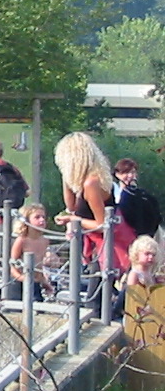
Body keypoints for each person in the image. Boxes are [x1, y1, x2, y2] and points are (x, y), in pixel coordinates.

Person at [54, 130, 135, 316]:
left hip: (108, 242)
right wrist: (66, 179)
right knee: (96, 289)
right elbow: (71, 205)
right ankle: (102, 315)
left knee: (95, 294)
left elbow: (102, 223)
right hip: (100, 242)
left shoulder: (92, 182)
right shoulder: (86, 181)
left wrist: (74, 220)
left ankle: (102, 319)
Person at [7, 203, 53, 303]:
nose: (42, 220)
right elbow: (12, 267)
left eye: (43, 217)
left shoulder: (44, 241)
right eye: (37, 217)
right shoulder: (21, 240)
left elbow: (39, 266)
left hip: (35, 283)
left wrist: (44, 282)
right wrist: (24, 279)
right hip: (20, 282)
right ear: (26, 221)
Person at [115, 158, 161, 239]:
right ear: (117, 174)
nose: (130, 175)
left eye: (132, 172)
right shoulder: (112, 192)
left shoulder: (144, 196)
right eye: (126, 172)